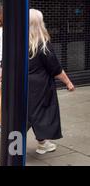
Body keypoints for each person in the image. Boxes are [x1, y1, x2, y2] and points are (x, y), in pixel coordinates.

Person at [28, 9, 75, 155]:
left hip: (22, 84)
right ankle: (11, 148)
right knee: (36, 115)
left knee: (29, 115)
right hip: (40, 87)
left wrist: (0, 79)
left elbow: (5, 63)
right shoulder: (42, 44)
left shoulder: (18, 41)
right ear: (39, 23)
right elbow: (55, 68)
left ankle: (42, 144)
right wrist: (68, 83)